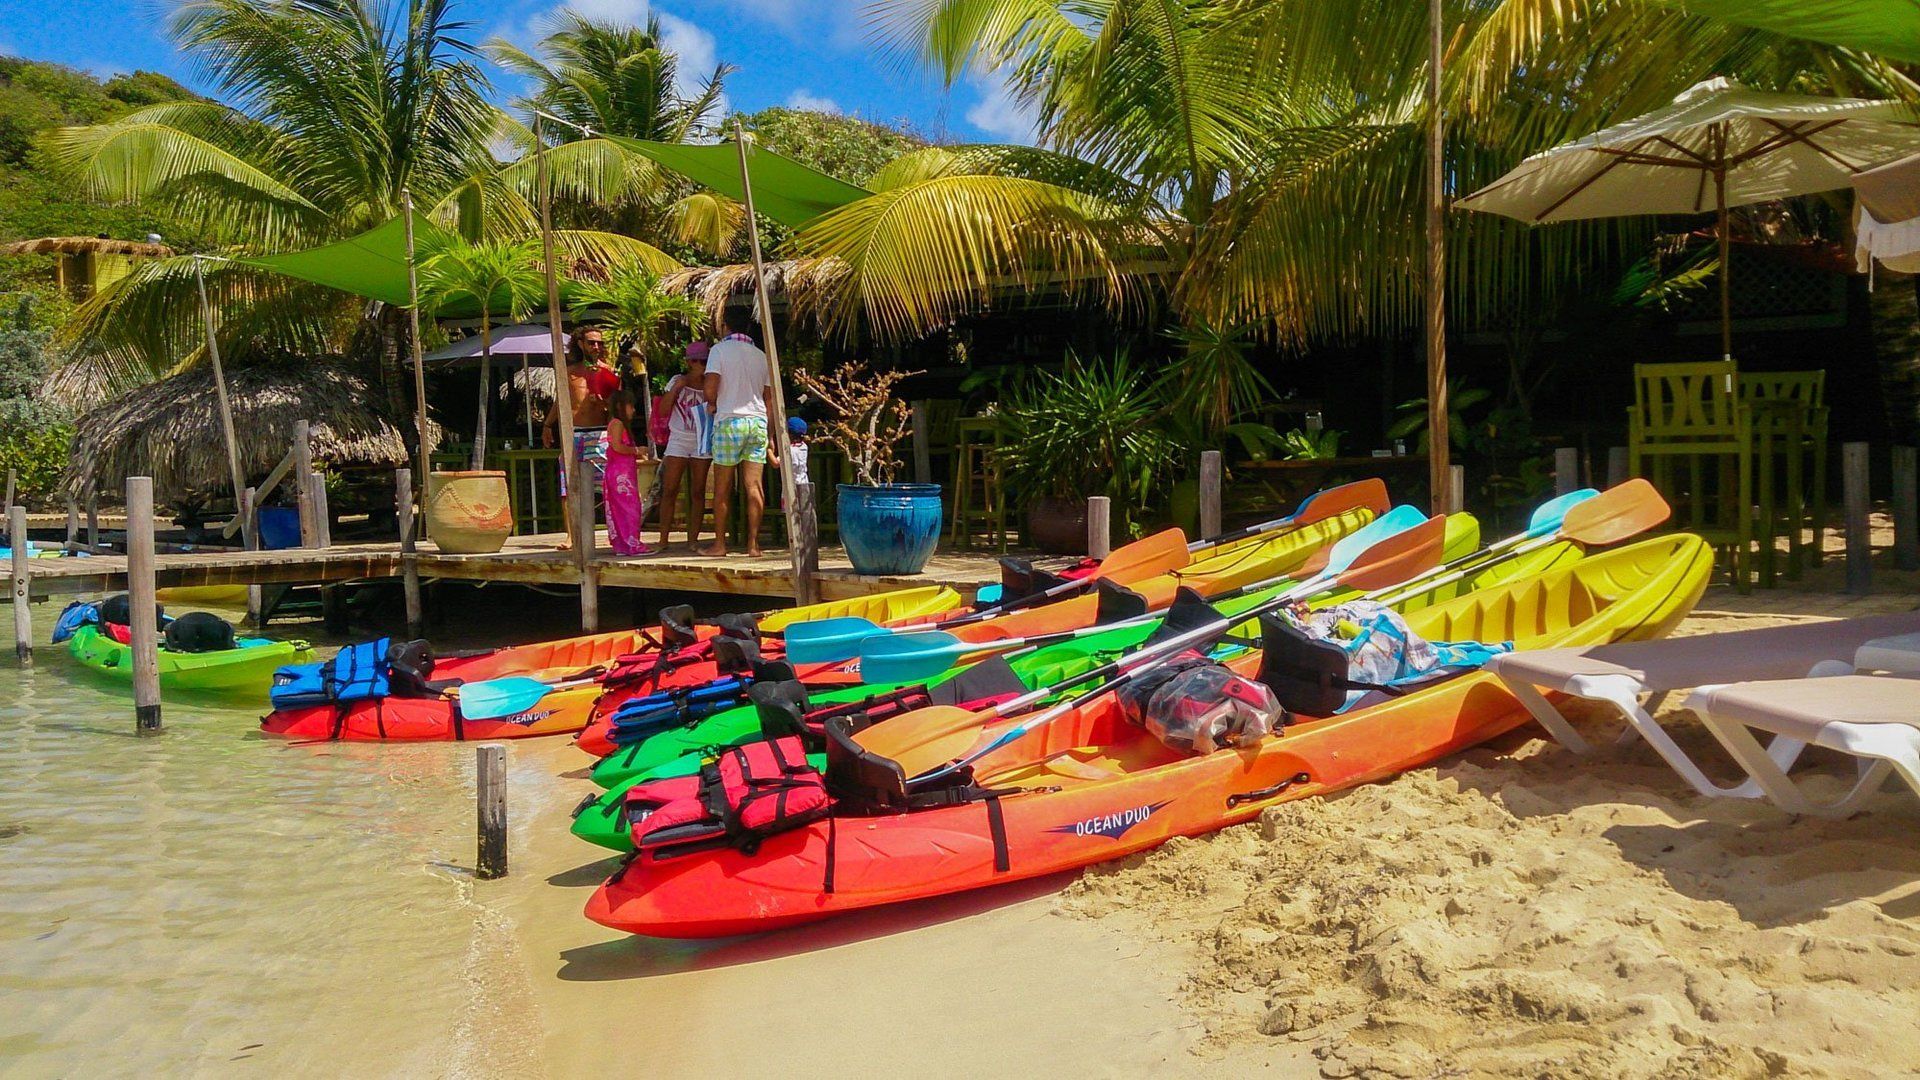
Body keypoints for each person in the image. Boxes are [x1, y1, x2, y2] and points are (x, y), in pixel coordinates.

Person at [699, 309, 777, 558]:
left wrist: (711, 400)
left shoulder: (719, 351)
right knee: (754, 486)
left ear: (726, 326)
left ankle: (720, 545)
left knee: (723, 488)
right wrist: (771, 433)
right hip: (757, 423)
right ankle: (754, 545)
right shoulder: (761, 356)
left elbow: (710, 391)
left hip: (730, 421)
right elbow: (769, 400)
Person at [544, 327, 615, 548]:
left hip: (600, 431)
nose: (596, 347)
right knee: (569, 486)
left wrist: (604, 403)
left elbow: (618, 407)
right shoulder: (569, 371)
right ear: (581, 344)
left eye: (599, 343)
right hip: (573, 433)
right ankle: (572, 535)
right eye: (591, 342)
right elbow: (561, 401)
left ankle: (614, 531)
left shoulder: (608, 371)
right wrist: (548, 424)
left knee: (607, 485)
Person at [658, 341, 714, 550]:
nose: (702, 364)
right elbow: (663, 411)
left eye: (705, 361)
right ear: (689, 362)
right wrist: (676, 389)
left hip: (702, 439)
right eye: (698, 361)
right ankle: (663, 539)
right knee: (670, 488)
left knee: (698, 491)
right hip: (679, 438)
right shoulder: (677, 380)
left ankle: (693, 540)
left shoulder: (712, 382)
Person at [603, 390, 653, 556]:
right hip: (620, 476)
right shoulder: (618, 423)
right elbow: (617, 447)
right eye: (630, 406)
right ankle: (631, 543)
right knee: (629, 508)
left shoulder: (616, 423)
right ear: (620, 406)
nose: (633, 410)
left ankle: (624, 544)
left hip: (621, 473)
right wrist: (637, 450)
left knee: (624, 508)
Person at [784, 416, 811, 486]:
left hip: (792, 483)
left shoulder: (790, 449)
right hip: (804, 481)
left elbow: (775, 463)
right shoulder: (804, 447)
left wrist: (768, 449)